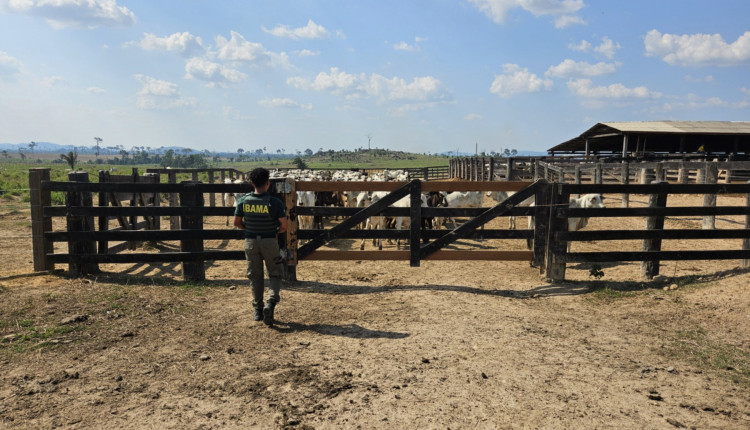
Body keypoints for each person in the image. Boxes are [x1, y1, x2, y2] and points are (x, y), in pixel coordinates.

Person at [233, 168, 287, 326]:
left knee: (255, 276)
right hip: (270, 241)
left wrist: (248, 229)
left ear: (251, 183)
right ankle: (270, 303)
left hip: (250, 242)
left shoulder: (244, 201)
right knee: (275, 274)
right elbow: (283, 226)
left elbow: (237, 223)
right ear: (268, 183)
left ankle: (258, 309)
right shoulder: (275, 203)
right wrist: (274, 230)